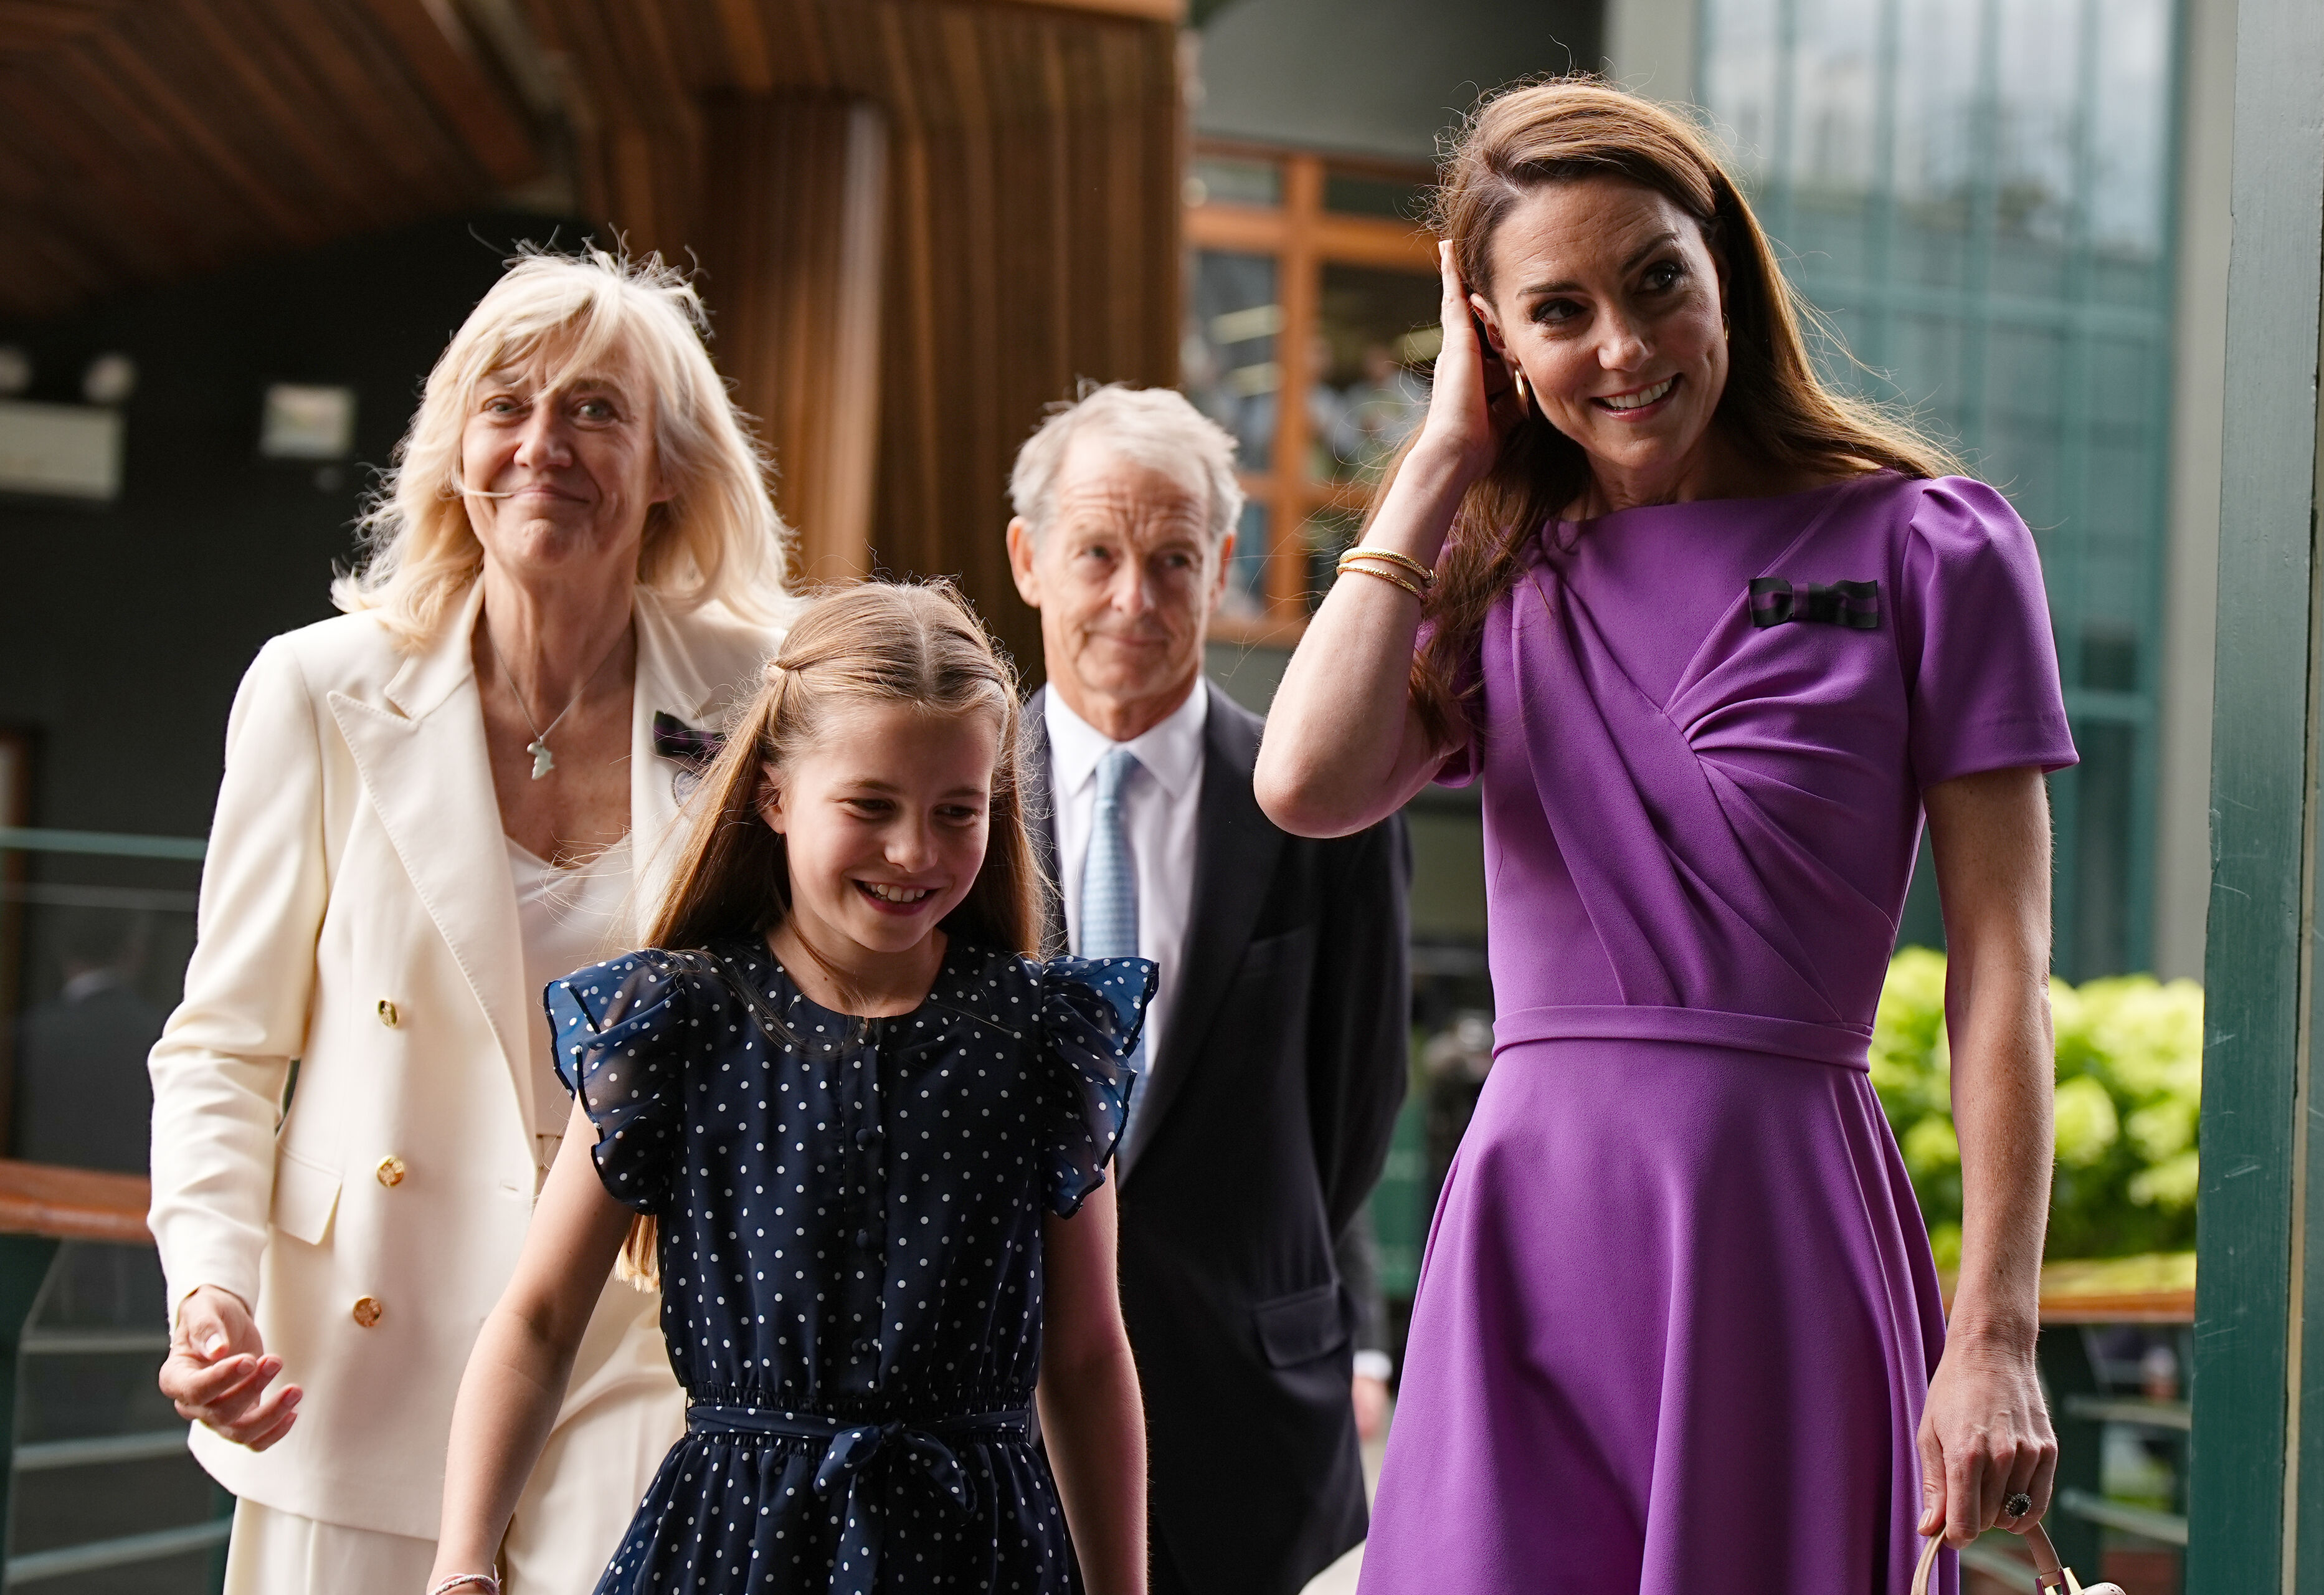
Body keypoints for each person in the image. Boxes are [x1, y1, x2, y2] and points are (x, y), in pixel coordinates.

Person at [1253, 79, 2072, 1595]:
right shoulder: (1495, 570)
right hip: (1527, 1237)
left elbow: (2003, 967)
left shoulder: (1930, 544)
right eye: (1558, 311)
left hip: (1781, 1235)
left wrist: (1995, 1331)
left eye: (1654, 282)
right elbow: (1303, 780)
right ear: (1493, 341)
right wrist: (1436, 463)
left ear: (1724, 275)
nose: (1624, 347)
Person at [146, 249, 793, 1595]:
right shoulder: (317, 689)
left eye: (596, 410)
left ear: (670, 467)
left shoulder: (763, 696)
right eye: (507, 406)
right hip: (358, 1350)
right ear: (455, 451)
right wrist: (208, 1282)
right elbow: (225, 1045)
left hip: (642, 1356)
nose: (543, 444)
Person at [425, 581, 1149, 1595]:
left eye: (956, 812)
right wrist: (463, 1559)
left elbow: (1085, 1358)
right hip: (732, 1550)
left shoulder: (1044, 1037)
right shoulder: (673, 1023)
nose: (914, 851)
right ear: (773, 794)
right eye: (870, 806)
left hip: (983, 1557)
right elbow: (539, 1320)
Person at [1003, 385, 1412, 1595]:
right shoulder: (958, 805)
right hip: (1002, 1418)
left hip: (1253, 1425)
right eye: (1098, 554)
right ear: (1029, 561)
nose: (1135, 598)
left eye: (1174, 560)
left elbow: (1356, 1108)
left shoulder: (1323, 798)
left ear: (1224, 566)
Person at [14, 908, 163, 1172]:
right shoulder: (161, 1037)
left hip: (30, 1186)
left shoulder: (25, 1034)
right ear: (134, 951)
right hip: (134, 1190)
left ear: (61, 949)